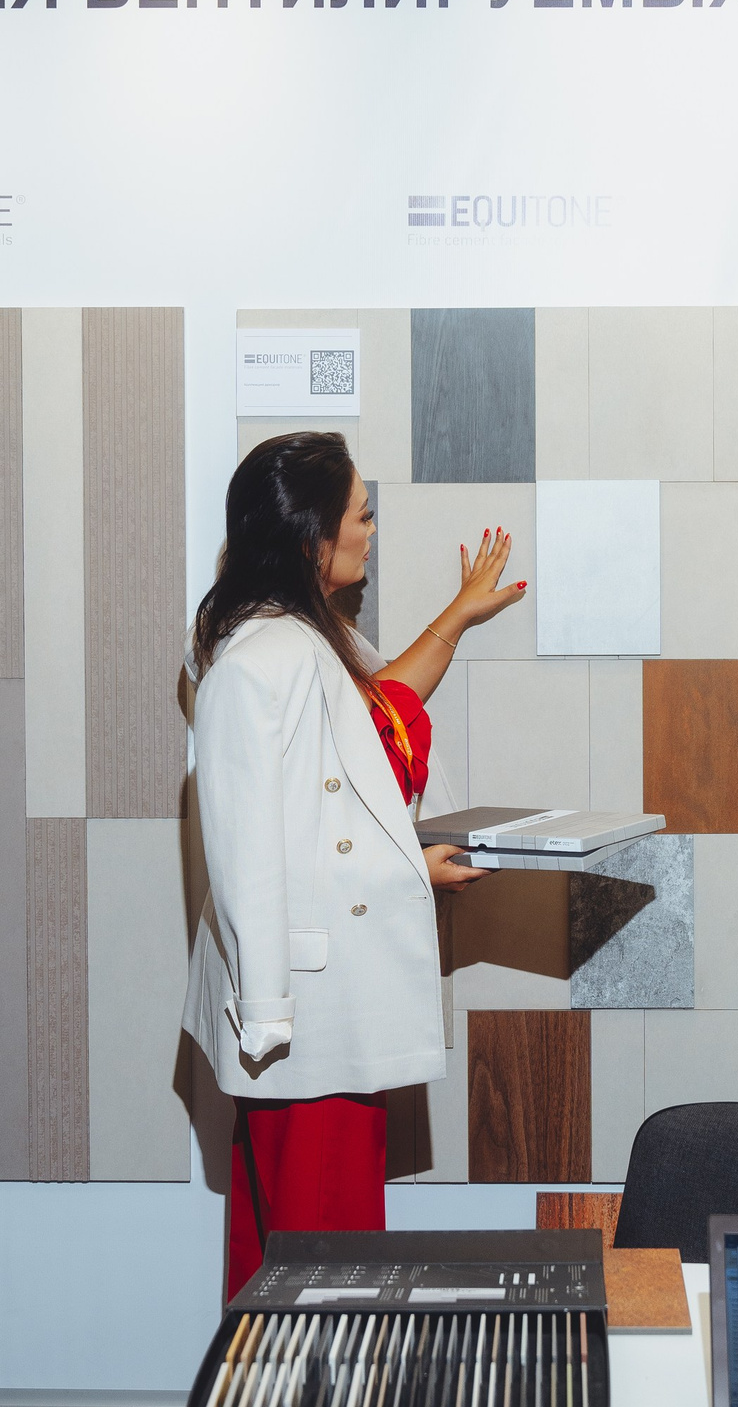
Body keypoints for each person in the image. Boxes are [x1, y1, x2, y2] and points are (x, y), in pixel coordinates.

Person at [181, 431, 525, 1294]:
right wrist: (267, 1017)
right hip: (302, 1021)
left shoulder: (304, 639)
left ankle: (280, 1383)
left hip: (318, 1015)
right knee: (321, 1270)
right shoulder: (260, 663)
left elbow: (369, 732)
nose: (373, 530)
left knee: (300, 1260)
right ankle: (304, 1385)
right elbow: (250, 860)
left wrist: (457, 615)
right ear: (313, 537)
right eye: (362, 515)